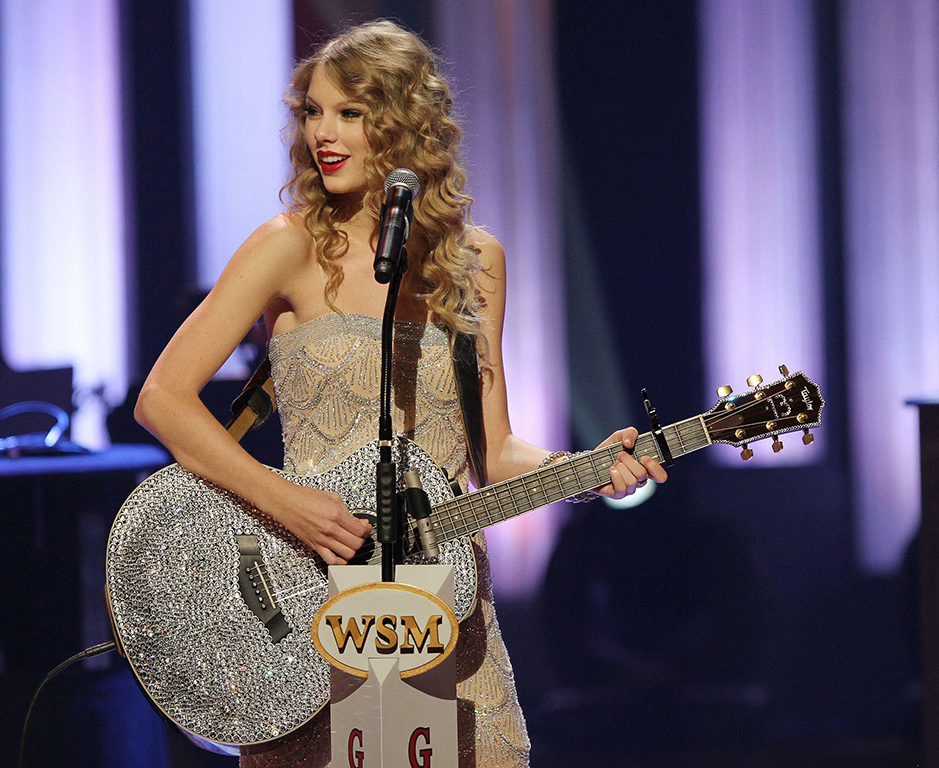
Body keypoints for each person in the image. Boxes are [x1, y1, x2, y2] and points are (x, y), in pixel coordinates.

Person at [134, 19, 668, 768]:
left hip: (448, 619)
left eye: (348, 113)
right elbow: (162, 397)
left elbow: (493, 453)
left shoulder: (476, 262)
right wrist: (289, 504)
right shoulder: (286, 245)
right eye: (313, 112)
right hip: (318, 611)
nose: (323, 133)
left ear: (404, 123)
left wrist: (584, 471)